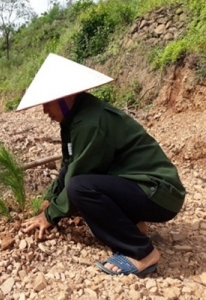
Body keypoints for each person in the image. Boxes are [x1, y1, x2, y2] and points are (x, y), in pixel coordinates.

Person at [18, 54, 185, 276]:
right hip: (143, 187)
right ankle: (135, 227)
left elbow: (79, 176)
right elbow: (69, 164)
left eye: (48, 103)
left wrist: (49, 216)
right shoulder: (75, 118)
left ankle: (141, 253)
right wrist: (50, 198)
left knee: (80, 188)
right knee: (75, 180)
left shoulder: (90, 123)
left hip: (160, 193)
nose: (45, 111)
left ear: (65, 97)